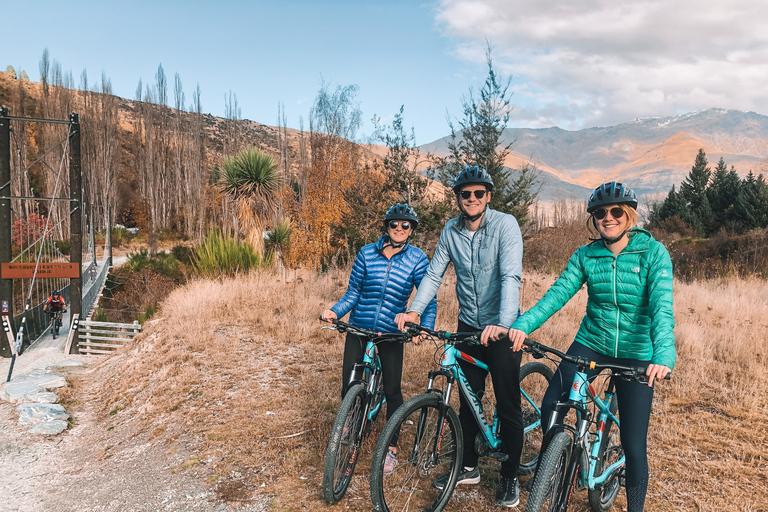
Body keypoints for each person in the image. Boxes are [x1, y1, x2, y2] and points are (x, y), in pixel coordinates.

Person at [508, 181, 675, 512]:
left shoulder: (653, 253)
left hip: (636, 351)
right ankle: (551, 470)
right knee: (552, 402)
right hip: (592, 342)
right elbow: (557, 293)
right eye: (600, 213)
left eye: (615, 212)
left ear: (628, 215)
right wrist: (523, 325)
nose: (608, 218)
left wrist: (663, 355)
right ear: (594, 219)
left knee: (633, 443)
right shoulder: (586, 254)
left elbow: (661, 308)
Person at [395, 166, 525, 508]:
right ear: (458, 198)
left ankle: (510, 475)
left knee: (508, 403)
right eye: (465, 194)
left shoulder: (505, 224)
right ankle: (469, 466)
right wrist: (414, 311)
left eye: (478, 193)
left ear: (488, 196)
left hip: (502, 326)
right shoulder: (450, 231)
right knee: (469, 398)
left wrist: (504, 323)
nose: (471, 199)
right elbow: (434, 274)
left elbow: (511, 276)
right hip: (469, 324)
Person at [321, 203, 437, 475]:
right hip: (359, 328)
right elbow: (352, 293)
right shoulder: (366, 253)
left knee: (394, 392)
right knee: (348, 385)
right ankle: (350, 417)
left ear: (412, 230)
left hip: (391, 334)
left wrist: (424, 327)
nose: (399, 228)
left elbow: (428, 299)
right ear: (386, 227)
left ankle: (391, 448)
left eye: (405, 225)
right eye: (394, 224)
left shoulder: (418, 259)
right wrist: (334, 311)